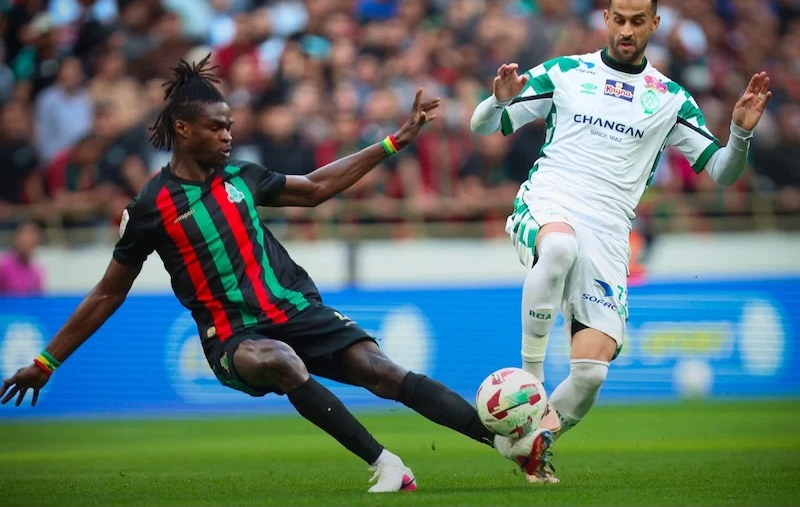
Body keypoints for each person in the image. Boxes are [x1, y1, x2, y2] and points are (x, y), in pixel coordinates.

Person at [0, 55, 550, 491]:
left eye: (230, 127)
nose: (227, 136)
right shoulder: (150, 207)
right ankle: (387, 465)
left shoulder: (242, 176)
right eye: (216, 128)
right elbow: (106, 293)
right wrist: (46, 362)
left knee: (381, 371)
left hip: (295, 308)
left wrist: (394, 142)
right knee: (280, 361)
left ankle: (507, 445)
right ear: (182, 128)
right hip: (233, 335)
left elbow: (315, 188)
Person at [470, 0, 771, 483]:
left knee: (590, 375)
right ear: (606, 19)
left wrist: (739, 133)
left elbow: (722, 172)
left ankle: (526, 441)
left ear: (655, 24)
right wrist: (497, 103)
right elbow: (483, 127)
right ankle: (531, 382)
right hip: (550, 200)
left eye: (638, 21)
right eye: (620, 19)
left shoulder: (670, 99)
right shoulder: (566, 72)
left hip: (610, 233)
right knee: (559, 247)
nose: (627, 30)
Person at [0, 221, 45, 295]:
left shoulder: (36, 273)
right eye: (25, 236)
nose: (27, 240)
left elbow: (37, 299)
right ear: (16, 238)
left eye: (31, 237)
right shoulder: (3, 266)